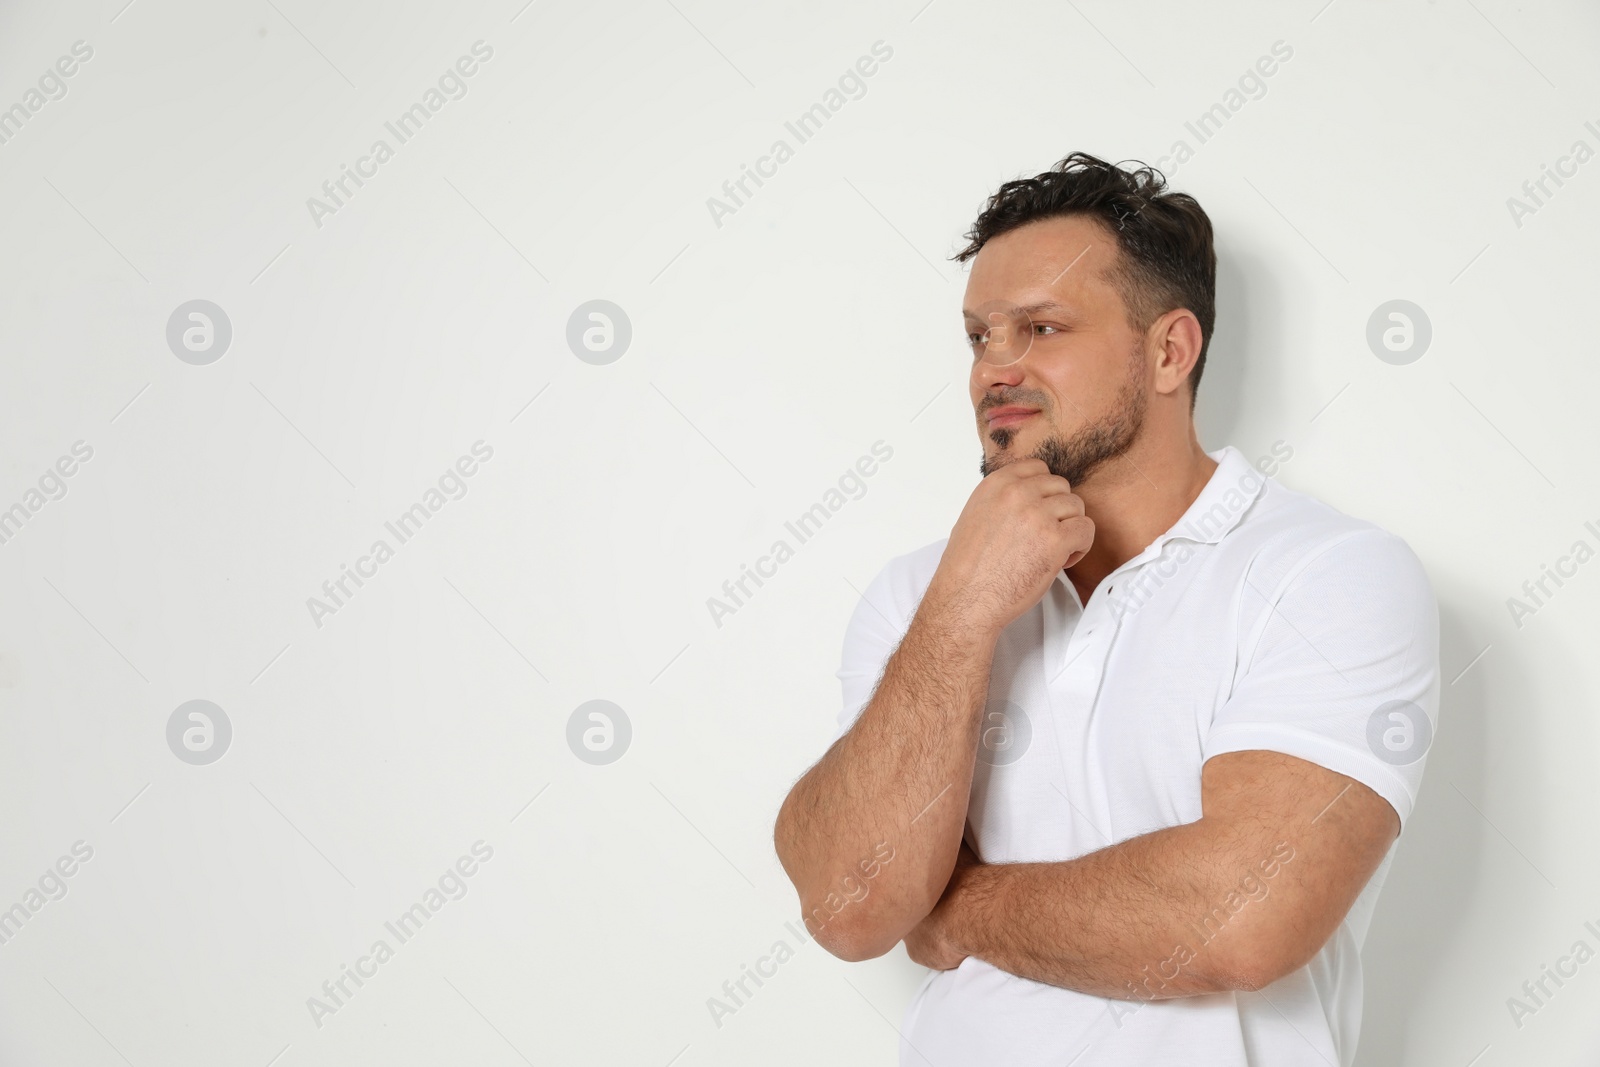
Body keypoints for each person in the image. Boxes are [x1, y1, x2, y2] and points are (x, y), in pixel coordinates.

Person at [772, 152, 1440, 1066]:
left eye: (1040, 328)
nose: (993, 371)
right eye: (978, 337)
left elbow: (1245, 919)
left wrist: (962, 903)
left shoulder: (1330, 574)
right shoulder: (924, 594)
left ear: (1170, 351)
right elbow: (851, 906)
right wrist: (963, 613)